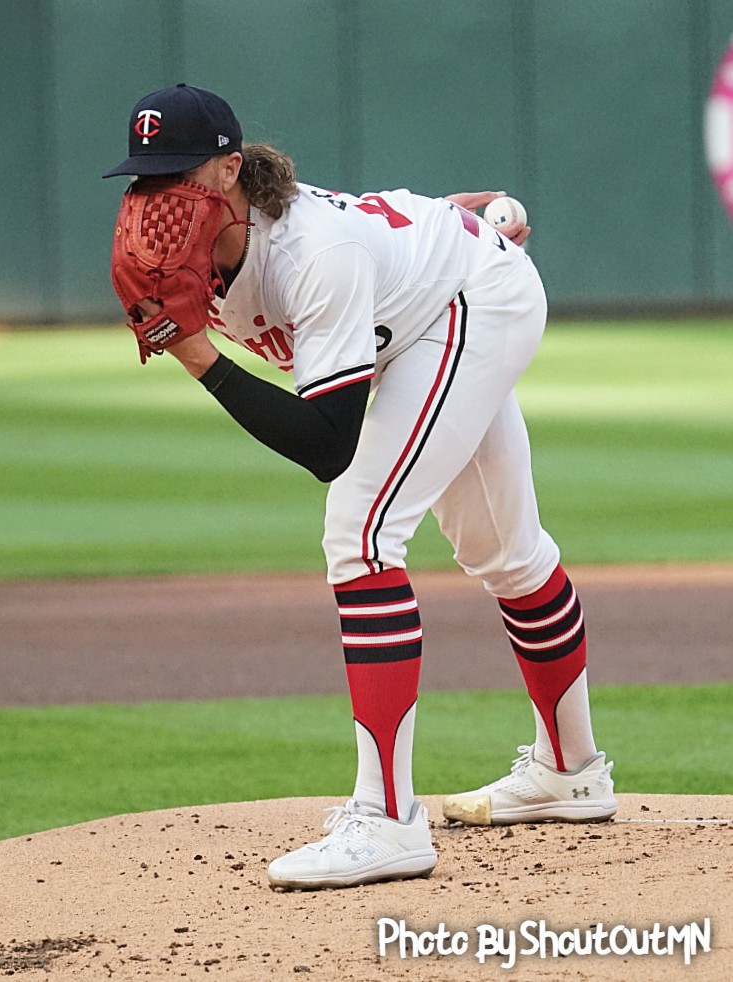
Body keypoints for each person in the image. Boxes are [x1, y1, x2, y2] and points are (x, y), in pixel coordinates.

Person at [104, 83, 617, 891]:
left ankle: (385, 823)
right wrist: (436, 227)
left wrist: (193, 351)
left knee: (361, 532)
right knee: (504, 553)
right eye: (143, 179)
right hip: (430, 297)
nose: (155, 200)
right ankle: (570, 770)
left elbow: (326, 445)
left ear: (231, 170)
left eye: (178, 176)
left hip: (469, 304)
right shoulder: (203, 256)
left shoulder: (309, 253)